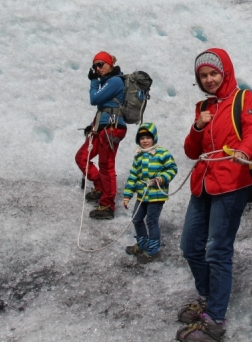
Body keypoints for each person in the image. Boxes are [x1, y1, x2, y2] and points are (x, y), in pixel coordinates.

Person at [176, 48, 252, 342]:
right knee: (190, 245)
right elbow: (191, 151)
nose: (209, 79)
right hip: (203, 181)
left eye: (213, 73)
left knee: (218, 249)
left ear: (225, 71)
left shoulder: (244, 99)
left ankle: (214, 318)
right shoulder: (203, 106)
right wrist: (197, 125)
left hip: (232, 182)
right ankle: (208, 296)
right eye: (203, 76)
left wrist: (245, 151)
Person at [74, 51, 127, 220]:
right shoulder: (106, 81)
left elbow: (94, 99)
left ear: (110, 64)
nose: (97, 68)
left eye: (100, 64)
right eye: (95, 65)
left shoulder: (115, 81)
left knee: (106, 165)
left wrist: (93, 82)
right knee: (82, 157)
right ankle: (100, 187)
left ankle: (107, 204)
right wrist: (93, 125)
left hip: (112, 128)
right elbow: (103, 107)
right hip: (102, 126)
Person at [122, 122, 178, 264]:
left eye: (148, 137)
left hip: (156, 195)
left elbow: (172, 168)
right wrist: (127, 195)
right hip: (142, 195)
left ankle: (153, 250)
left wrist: (161, 179)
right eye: (142, 138)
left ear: (154, 138)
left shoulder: (162, 153)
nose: (145, 141)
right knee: (137, 218)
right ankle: (142, 244)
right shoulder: (138, 156)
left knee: (151, 221)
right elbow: (133, 176)